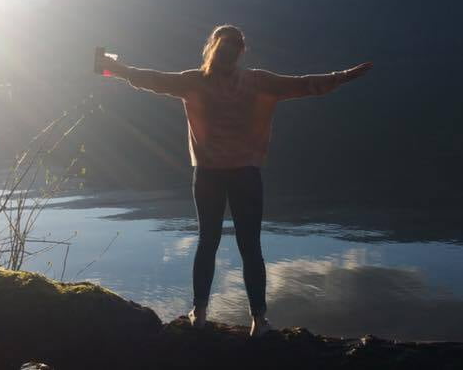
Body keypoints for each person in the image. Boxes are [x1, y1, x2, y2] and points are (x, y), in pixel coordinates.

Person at [100, 24, 373, 337]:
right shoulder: (258, 81)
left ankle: (199, 314)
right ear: (242, 50)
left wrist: (116, 69)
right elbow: (306, 85)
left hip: (207, 175)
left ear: (212, 47)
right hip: (246, 174)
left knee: (207, 242)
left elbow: (151, 79)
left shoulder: (194, 81)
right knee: (251, 247)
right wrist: (344, 76)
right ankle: (258, 321)